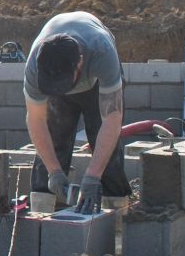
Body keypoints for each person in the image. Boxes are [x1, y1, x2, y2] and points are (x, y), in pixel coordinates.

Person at [24, 11, 129, 215]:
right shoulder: (36, 68)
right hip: (59, 75)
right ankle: (42, 216)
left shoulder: (101, 52)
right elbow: (36, 119)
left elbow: (113, 119)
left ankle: (116, 225)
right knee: (53, 144)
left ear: (80, 62)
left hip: (97, 85)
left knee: (106, 150)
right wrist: (54, 171)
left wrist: (92, 175)